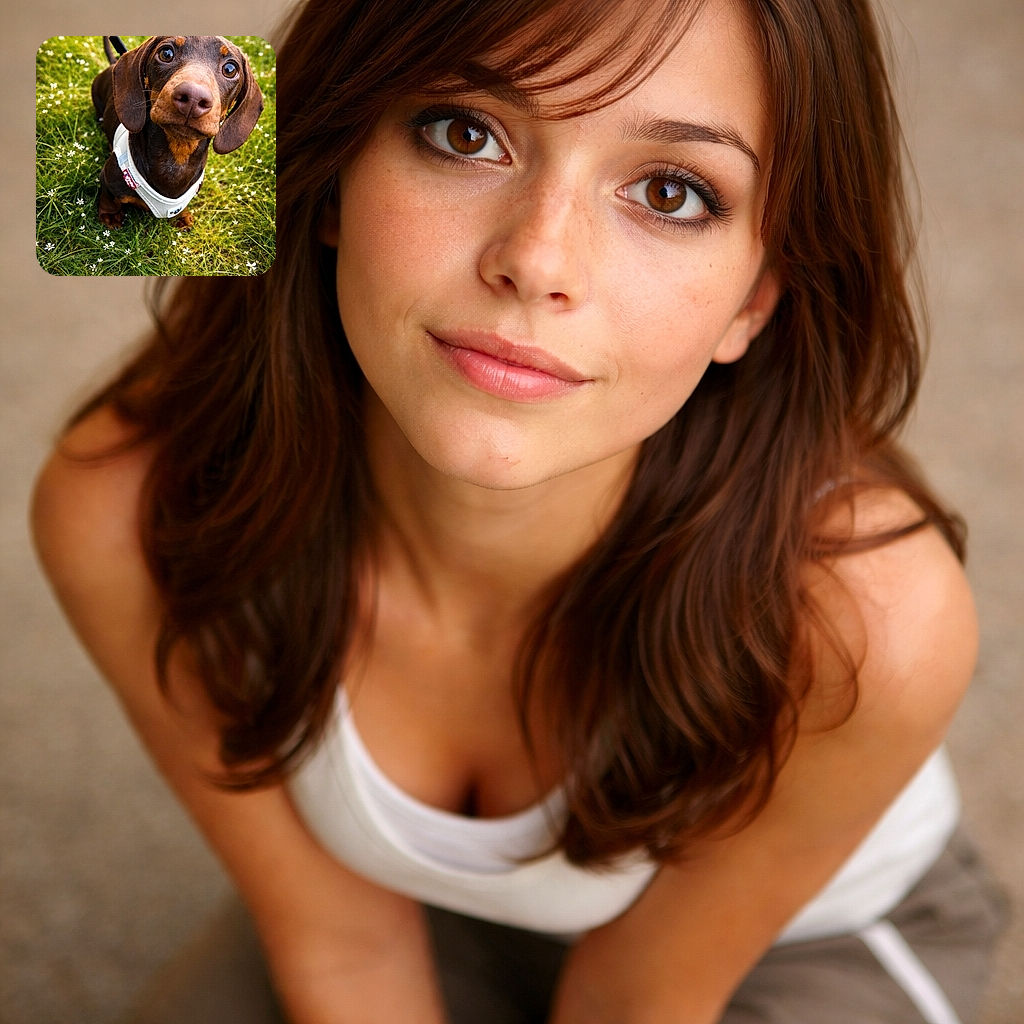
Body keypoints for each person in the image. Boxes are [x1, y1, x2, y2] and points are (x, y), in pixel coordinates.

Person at [31, 0, 1006, 1021]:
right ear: (327, 176)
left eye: (671, 192)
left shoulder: (866, 622)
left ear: (755, 299)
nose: (537, 262)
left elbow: (634, 996)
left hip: (801, 940)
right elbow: (345, 945)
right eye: (465, 132)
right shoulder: (124, 509)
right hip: (408, 905)